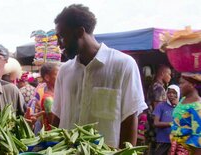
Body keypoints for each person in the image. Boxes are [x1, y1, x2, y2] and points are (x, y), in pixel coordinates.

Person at [51, 4, 147, 148]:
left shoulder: (123, 65)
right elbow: (57, 116)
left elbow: (129, 118)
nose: (58, 44)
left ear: (79, 32)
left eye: (62, 37)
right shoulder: (65, 71)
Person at [169, 73, 201, 155]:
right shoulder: (182, 100)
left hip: (187, 150)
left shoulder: (197, 106)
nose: (179, 86)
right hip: (175, 147)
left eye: (182, 83)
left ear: (192, 84)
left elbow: (198, 136)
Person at [145, 65, 171, 153]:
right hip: (154, 126)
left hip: (150, 124)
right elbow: (158, 109)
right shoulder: (159, 88)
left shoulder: (154, 85)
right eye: (169, 74)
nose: (170, 77)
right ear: (163, 73)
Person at [153, 84, 180, 155]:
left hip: (177, 141)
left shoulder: (181, 107)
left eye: (174, 93)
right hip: (163, 141)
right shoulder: (161, 106)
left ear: (178, 94)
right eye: (169, 92)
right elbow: (156, 123)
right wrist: (171, 124)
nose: (171, 95)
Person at [39, 62, 59, 131]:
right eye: (57, 74)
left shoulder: (55, 95)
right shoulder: (48, 99)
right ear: (47, 77)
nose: (60, 77)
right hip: (52, 138)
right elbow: (54, 124)